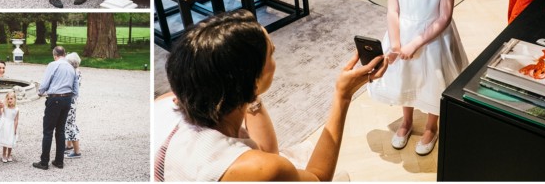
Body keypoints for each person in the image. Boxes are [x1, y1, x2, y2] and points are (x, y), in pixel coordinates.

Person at [154, 9, 388, 181]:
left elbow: (266, 152)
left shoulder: (168, 102)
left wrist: (249, 94)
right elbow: (316, 178)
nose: (275, 61)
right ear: (250, 80)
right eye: (272, 54)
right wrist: (343, 95)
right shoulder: (257, 170)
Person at [368, 0, 468, 155]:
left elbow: (444, 16)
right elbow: (393, 10)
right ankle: (407, 120)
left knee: (432, 81)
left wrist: (416, 43)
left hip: (433, 39)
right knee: (406, 78)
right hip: (402, 34)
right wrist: (397, 42)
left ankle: (431, 126)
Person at [33, 46, 80, 170]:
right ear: (64, 54)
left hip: (55, 99)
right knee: (60, 131)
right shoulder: (72, 67)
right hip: (67, 99)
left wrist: (40, 92)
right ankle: (59, 161)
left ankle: (44, 162)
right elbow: (76, 89)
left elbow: (45, 83)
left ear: (55, 55)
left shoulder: (53, 65)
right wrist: (69, 97)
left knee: (48, 131)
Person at [64, 52, 83, 159]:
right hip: (73, 101)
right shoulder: (78, 71)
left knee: (70, 124)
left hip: (70, 101)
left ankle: (77, 151)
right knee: (70, 122)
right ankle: (69, 145)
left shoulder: (73, 73)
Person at [0, 91, 20, 163]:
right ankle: (4, 154)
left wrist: (15, 129)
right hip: (5, 126)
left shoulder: (16, 109)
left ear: (14, 99)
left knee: (10, 141)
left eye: (11, 98)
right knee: (5, 141)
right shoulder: (5, 107)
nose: (9, 100)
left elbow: (16, 120)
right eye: (8, 99)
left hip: (11, 126)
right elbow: (0, 114)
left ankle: (9, 154)